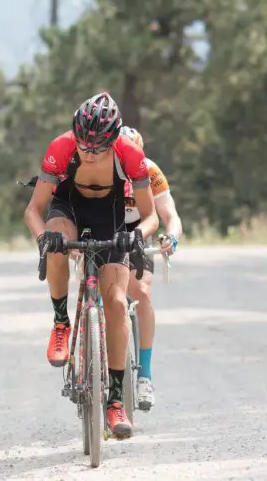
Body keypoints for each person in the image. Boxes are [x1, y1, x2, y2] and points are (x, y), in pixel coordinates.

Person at [23, 92, 158, 439]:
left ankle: (114, 401)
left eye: (96, 147)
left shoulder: (131, 156)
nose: (87, 151)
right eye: (82, 143)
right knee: (56, 242)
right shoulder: (61, 148)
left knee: (115, 303)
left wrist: (137, 236)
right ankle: (60, 323)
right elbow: (33, 211)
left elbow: (150, 216)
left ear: (113, 140)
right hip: (67, 208)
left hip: (109, 218)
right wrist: (43, 238)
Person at [120, 126, 182, 411]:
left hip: (140, 231)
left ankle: (144, 373)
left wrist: (173, 237)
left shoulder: (150, 171)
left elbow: (170, 214)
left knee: (141, 292)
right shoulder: (101, 167)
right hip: (102, 226)